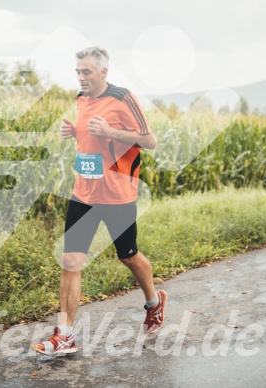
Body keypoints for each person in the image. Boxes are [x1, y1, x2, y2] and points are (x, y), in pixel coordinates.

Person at [31, 47, 167, 355]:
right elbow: (90, 140)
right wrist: (74, 131)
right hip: (84, 194)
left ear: (103, 73)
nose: (80, 77)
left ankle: (154, 302)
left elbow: (150, 141)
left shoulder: (123, 98)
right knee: (70, 261)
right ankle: (65, 336)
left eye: (86, 72)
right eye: (78, 72)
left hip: (118, 196)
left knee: (128, 255)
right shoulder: (81, 99)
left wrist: (110, 131)